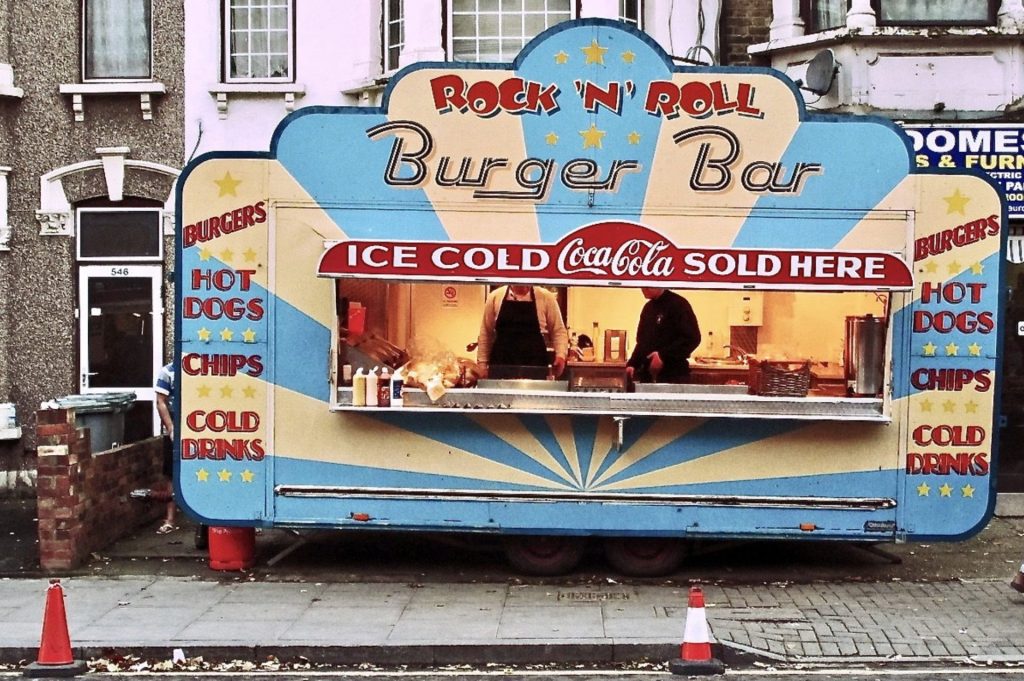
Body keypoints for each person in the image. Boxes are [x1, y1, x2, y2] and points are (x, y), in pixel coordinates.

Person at [477, 285, 568, 380]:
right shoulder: (495, 297)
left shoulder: (546, 297)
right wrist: (482, 364)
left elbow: (558, 331)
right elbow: (485, 333)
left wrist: (561, 355)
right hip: (501, 364)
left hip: (535, 364)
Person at [626, 288, 701, 384]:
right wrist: (633, 364)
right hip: (648, 376)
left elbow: (692, 338)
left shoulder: (678, 304)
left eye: (648, 285)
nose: (643, 288)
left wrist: (663, 356)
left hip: (673, 375)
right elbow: (642, 343)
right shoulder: (648, 308)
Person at [154, 362, 178, 535]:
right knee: (171, 473)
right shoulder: (167, 372)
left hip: (199, 426)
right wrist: (171, 428)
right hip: (175, 427)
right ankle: (170, 519)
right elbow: (160, 401)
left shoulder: (204, 367)